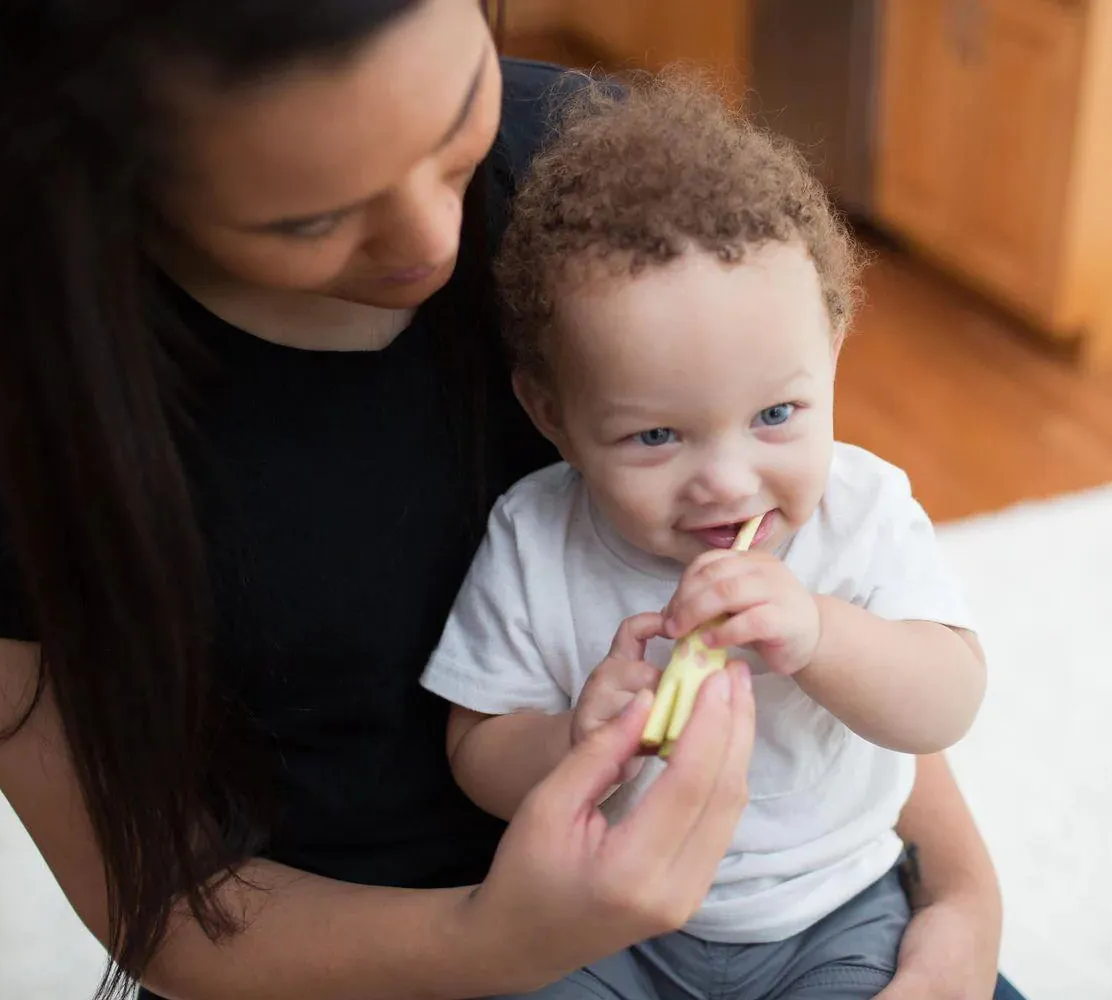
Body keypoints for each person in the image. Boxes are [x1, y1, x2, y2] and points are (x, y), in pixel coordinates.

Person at [0, 1, 1021, 999]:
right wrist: (504, 936)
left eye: (455, 130)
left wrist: (963, 895)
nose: (436, 247)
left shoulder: (600, 192)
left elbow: (850, 600)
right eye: (313, 221)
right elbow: (167, 907)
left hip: (822, 908)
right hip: (389, 956)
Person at [419, 73, 988, 1000]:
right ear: (552, 413)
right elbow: (475, 748)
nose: (726, 479)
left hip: (832, 913)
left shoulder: (862, 513)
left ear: (834, 348)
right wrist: (575, 739)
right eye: (656, 436)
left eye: (776, 413)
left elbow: (946, 703)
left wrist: (817, 633)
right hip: (599, 922)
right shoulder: (535, 536)